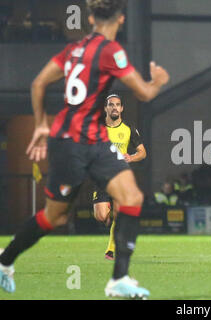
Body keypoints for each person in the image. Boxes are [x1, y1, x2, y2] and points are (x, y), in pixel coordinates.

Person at [0, 0, 169, 299]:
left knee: (131, 197)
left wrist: (40, 123)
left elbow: (38, 83)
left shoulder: (73, 49)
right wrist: (158, 83)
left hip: (95, 140)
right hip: (71, 144)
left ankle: (119, 278)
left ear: (90, 17)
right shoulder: (111, 51)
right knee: (56, 216)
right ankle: (4, 261)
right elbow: (142, 92)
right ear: (120, 20)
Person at [93, 93, 147, 261]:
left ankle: (111, 249)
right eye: (111, 104)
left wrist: (131, 157)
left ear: (122, 108)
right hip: (102, 177)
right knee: (102, 216)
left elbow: (143, 152)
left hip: (120, 176)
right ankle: (109, 220)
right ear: (106, 108)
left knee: (118, 213)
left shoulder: (129, 129)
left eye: (117, 104)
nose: (114, 107)